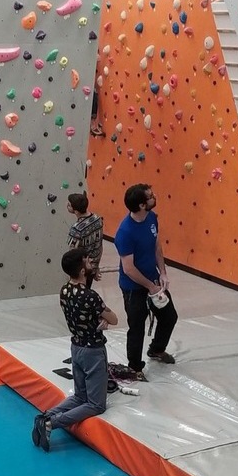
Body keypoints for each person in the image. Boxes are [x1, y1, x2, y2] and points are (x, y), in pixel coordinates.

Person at [32, 249, 118, 452]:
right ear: (81, 270)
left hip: (76, 347)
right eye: (87, 261)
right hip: (93, 351)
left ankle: (45, 415)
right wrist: (102, 318)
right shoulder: (90, 296)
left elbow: (82, 311)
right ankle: (51, 423)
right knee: (96, 404)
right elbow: (114, 319)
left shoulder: (64, 291)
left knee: (80, 396)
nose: (91, 262)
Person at [115, 183, 178, 374]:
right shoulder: (125, 232)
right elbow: (129, 269)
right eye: (150, 196)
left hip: (153, 279)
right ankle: (135, 366)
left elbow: (156, 246)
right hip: (133, 286)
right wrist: (150, 286)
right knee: (137, 325)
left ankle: (157, 349)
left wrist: (163, 272)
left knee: (169, 316)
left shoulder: (151, 218)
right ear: (142, 205)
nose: (154, 197)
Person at [67, 192, 104, 288]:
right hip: (92, 266)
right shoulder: (98, 219)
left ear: (76, 211)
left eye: (69, 205)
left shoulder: (76, 230)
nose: (67, 205)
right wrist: (96, 267)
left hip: (81, 271)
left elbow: (73, 255)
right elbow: (99, 245)